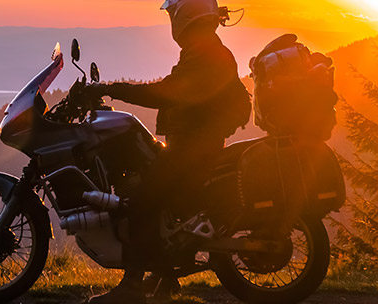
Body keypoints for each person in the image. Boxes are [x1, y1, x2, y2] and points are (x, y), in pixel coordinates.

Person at [83, 0, 251, 303]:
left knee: (142, 200)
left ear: (185, 15)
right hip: (191, 144)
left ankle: (132, 287)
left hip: (194, 148)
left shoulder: (206, 54)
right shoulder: (204, 49)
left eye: (174, 14)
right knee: (157, 196)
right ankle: (166, 278)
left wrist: (112, 89)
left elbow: (167, 92)